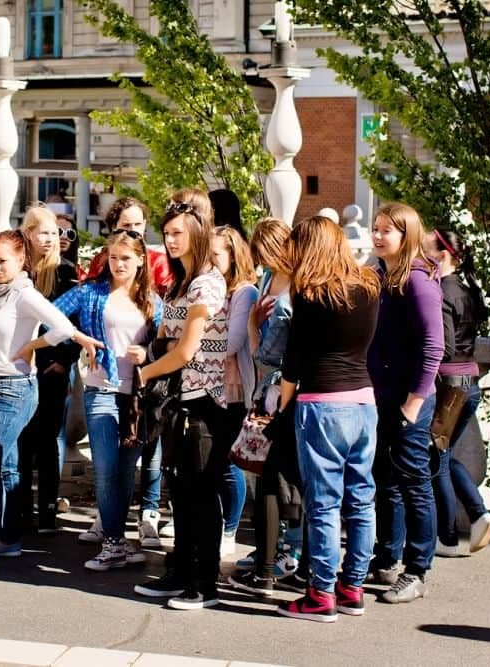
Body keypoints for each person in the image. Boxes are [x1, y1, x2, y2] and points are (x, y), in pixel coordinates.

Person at [0, 231, 99, 573]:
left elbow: (62, 327)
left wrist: (30, 348)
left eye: (2, 261)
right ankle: (9, 538)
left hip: (15, 389)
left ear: (21, 260)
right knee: (7, 467)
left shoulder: (25, 293)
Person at [273, 216, 381, 622]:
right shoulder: (370, 287)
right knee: (361, 497)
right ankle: (352, 586)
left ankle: (320, 593)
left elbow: (295, 360)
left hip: (322, 401)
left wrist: (281, 404)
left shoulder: (310, 294)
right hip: (363, 401)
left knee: (323, 503)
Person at [132, 189, 234, 611]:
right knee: (181, 490)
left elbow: (186, 350)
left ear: (196, 231)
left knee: (201, 494)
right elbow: (165, 339)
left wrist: (146, 372)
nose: (170, 240)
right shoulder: (179, 284)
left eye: (177, 232)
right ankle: (181, 572)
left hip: (205, 403)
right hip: (178, 401)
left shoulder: (208, 284)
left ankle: (205, 584)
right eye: (166, 233)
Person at [44, 228, 162, 571]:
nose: (118, 264)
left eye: (126, 258)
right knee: (107, 469)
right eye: (113, 258)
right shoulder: (92, 292)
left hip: (138, 397)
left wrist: (149, 352)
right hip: (101, 389)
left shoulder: (154, 300)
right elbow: (51, 313)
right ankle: (113, 542)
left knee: (126, 471)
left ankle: (119, 542)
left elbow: (170, 342)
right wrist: (82, 339)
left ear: (141, 260)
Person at [368, 203, 444, 604]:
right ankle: (386, 557)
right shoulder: (384, 276)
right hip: (383, 396)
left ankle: (417, 569)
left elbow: (434, 348)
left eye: (386, 231)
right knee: (386, 480)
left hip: (409, 400)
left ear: (407, 235)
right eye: (375, 229)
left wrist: (414, 404)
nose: (377, 236)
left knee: (414, 483)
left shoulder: (417, 281)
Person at [229, 217, 305, 596]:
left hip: (282, 387)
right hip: (271, 388)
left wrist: (256, 326)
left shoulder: (292, 290)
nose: (264, 260)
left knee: (282, 479)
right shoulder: (272, 280)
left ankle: (282, 551)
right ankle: (273, 549)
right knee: (270, 476)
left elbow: (265, 353)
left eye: (266, 252)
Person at [423, 228, 490, 556]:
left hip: (451, 386)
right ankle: (476, 515)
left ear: (441, 255)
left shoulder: (439, 290)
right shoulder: (467, 288)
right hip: (470, 382)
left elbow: (445, 346)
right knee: (443, 453)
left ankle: (450, 536)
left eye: (426, 252)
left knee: (437, 457)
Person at [16, 206, 79, 534]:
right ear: (27, 233)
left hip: (52, 369)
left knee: (49, 439)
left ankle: (48, 511)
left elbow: (75, 323)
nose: (50, 238)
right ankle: (22, 509)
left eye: (54, 232)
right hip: (20, 367)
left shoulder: (67, 271)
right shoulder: (18, 271)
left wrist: (64, 361)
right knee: (23, 440)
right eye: (43, 232)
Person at [212, 225, 258, 555]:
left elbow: (232, 342)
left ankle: (230, 529)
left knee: (230, 461)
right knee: (215, 459)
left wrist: (193, 344)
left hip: (235, 386)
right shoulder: (213, 289)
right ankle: (220, 524)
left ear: (233, 255)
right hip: (210, 384)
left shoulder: (245, 292)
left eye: (216, 255)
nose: (210, 263)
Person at [87, 197, 172, 296]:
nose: (133, 230)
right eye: (126, 225)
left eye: (138, 224)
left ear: (144, 224)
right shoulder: (101, 260)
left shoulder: (159, 261)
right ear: (114, 226)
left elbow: (167, 302)